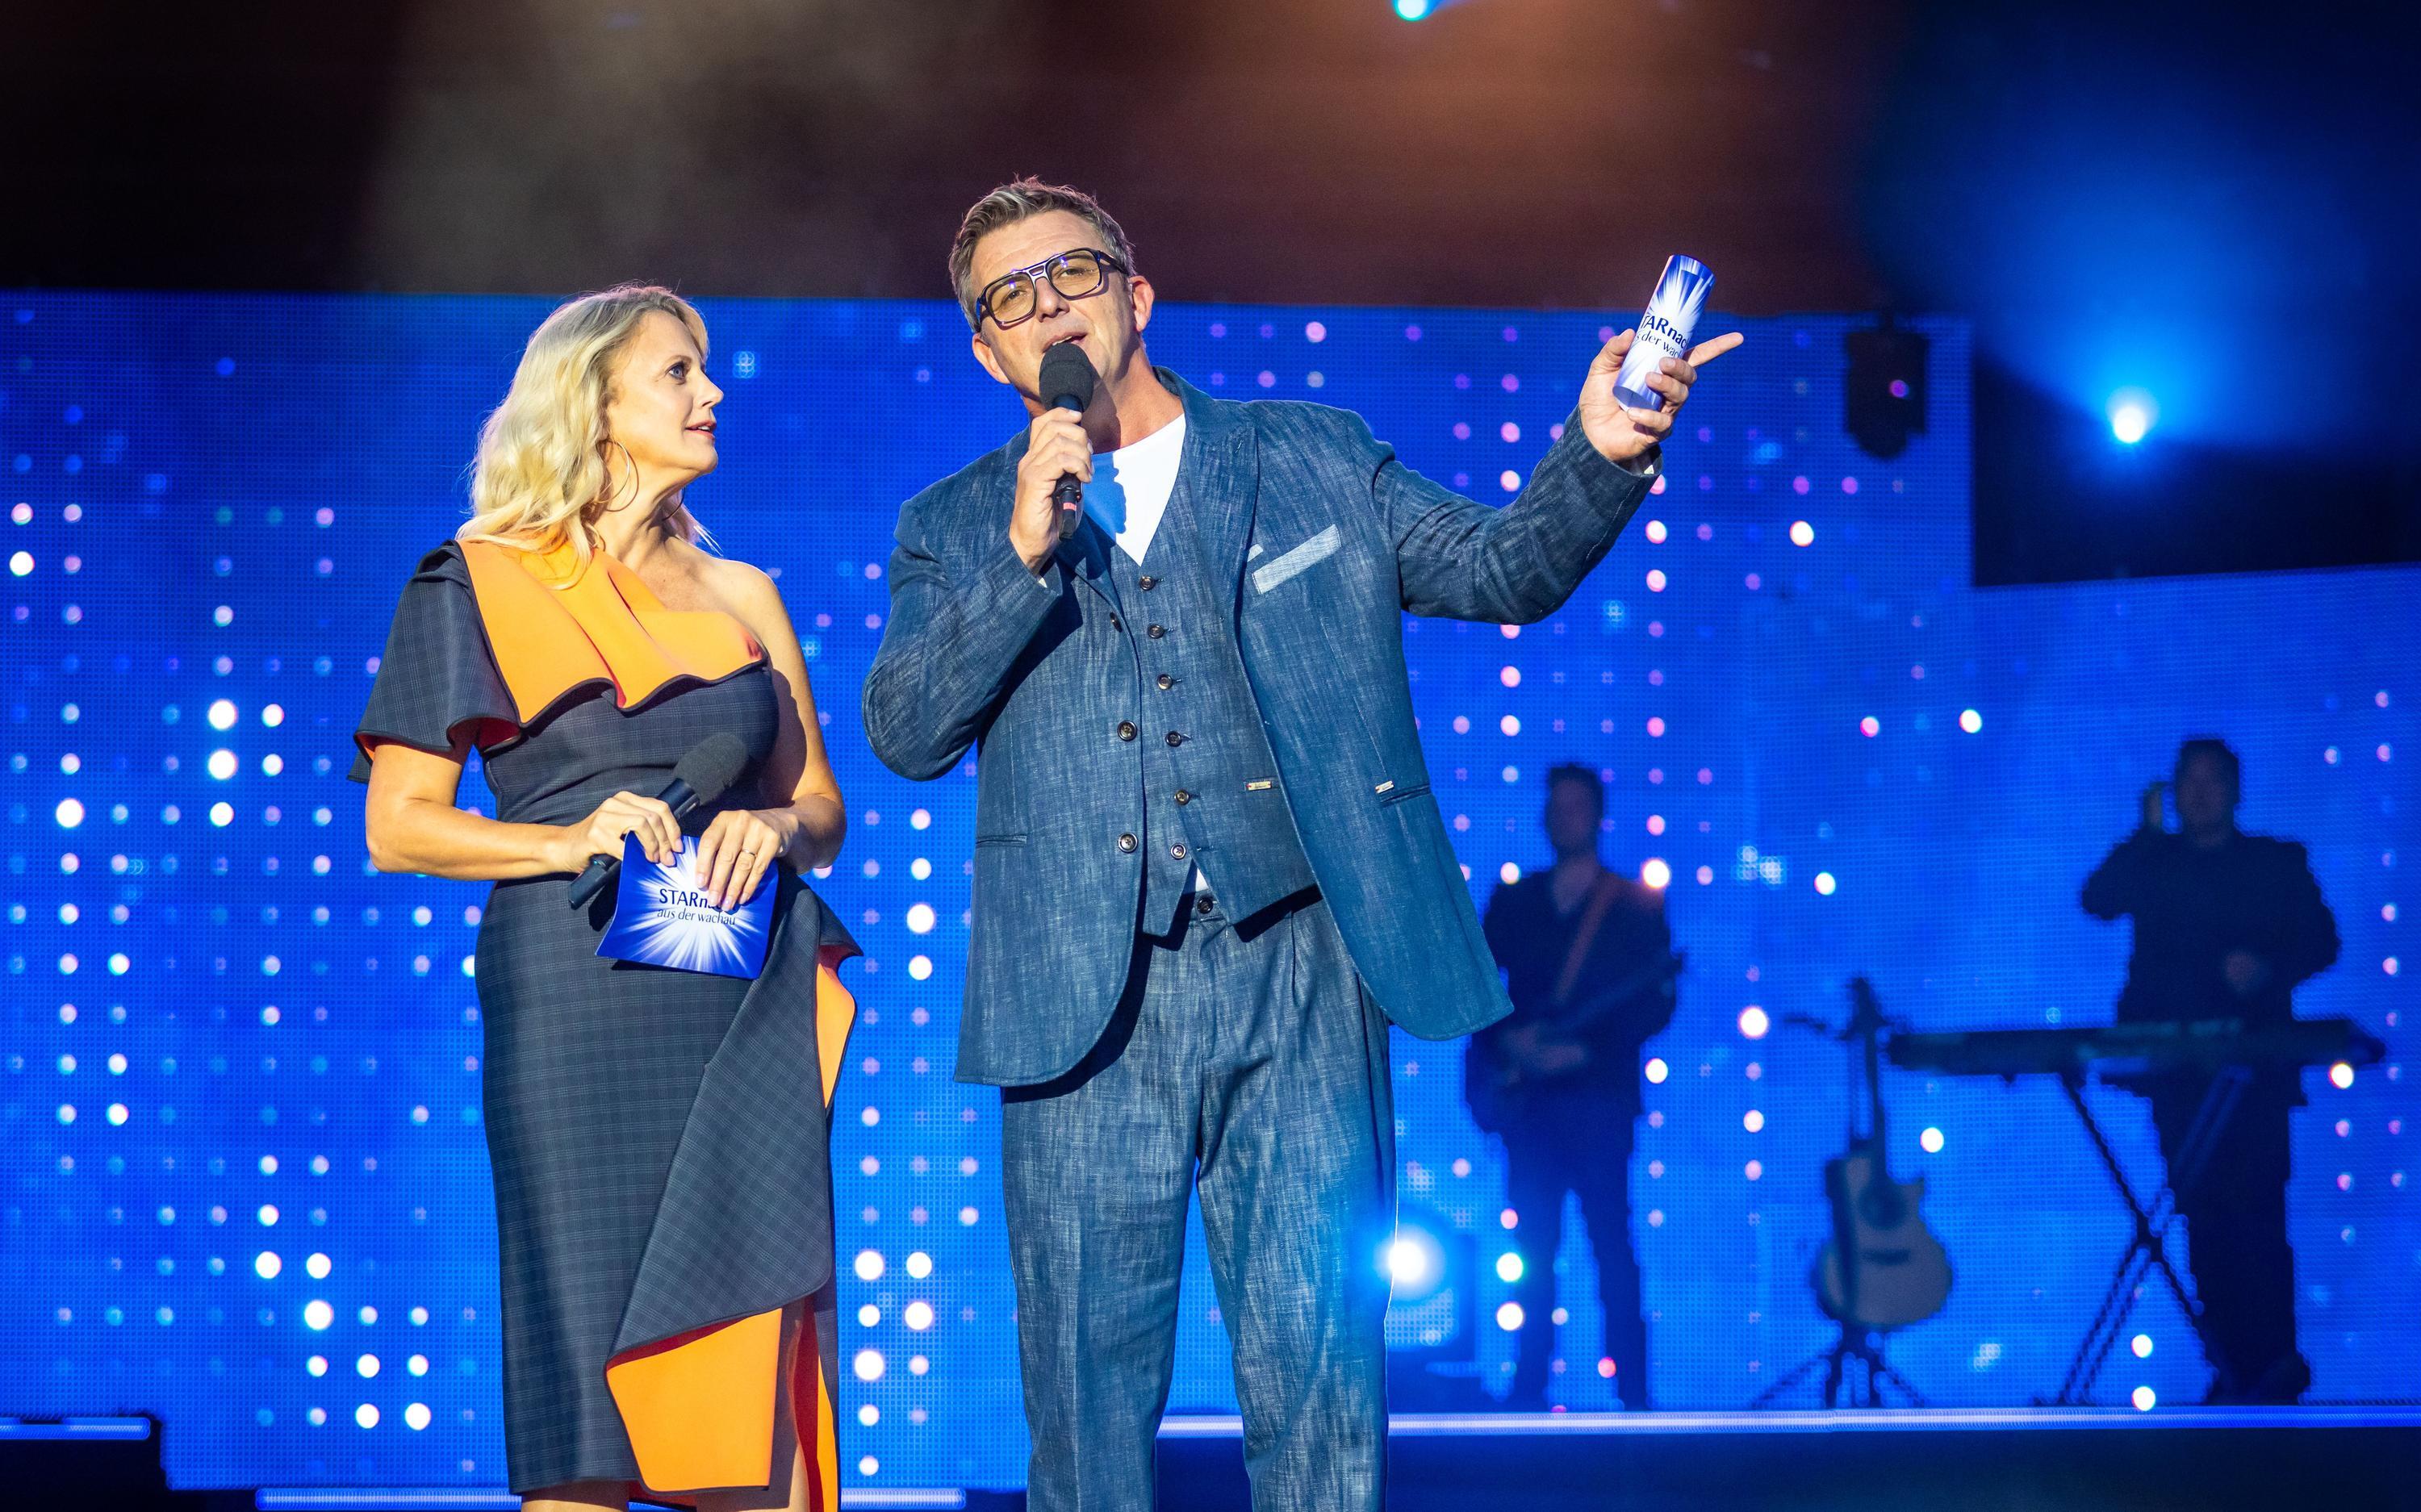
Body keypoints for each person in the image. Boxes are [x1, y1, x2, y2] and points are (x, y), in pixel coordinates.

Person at [863, 178, 1737, 1510]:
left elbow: (1500, 568)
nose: (1047, 306)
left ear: (1136, 296)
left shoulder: (1311, 454)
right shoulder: (955, 522)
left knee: (1321, 1381)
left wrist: (1598, 452)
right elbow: (906, 730)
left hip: (1303, 970)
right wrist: (1022, 552)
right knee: (1084, 1412)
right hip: (1080, 1005)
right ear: (988, 351)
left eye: (1072, 272)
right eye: (1010, 296)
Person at [355, 285, 857, 1512]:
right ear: (593, 402)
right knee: (586, 1396)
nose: (713, 391)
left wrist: (772, 823)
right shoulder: (475, 578)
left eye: (706, 369)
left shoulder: (746, 594)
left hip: (737, 1006)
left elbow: (824, 813)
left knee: (753, 1368)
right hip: (574, 1009)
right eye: (679, 371)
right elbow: (398, 827)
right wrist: (566, 835)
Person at [2081, 737, 2339, 1405]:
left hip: (2256, 1072)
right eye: (2188, 782)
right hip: (2177, 1073)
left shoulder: (2274, 862)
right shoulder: (2155, 862)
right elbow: (2098, 900)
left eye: (2212, 780)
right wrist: (2145, 835)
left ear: (2235, 789)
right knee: (2203, 1215)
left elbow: (2322, 940)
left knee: (2257, 1213)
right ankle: (2233, 1365)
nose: (2199, 794)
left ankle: (2274, 1362)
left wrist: (2266, 970)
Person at [1469, 763, 1675, 1410]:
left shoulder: (1635, 904)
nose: (1565, 818)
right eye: (1557, 807)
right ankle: (1528, 1389)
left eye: (1577, 806)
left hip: (1599, 1103)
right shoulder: (1516, 901)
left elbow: (1655, 1002)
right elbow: (1476, 984)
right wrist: (1511, 1043)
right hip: (1528, 1107)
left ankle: (1634, 1397)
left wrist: (1584, 1051)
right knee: (1531, 1248)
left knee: (1611, 1245)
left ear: (1598, 815)